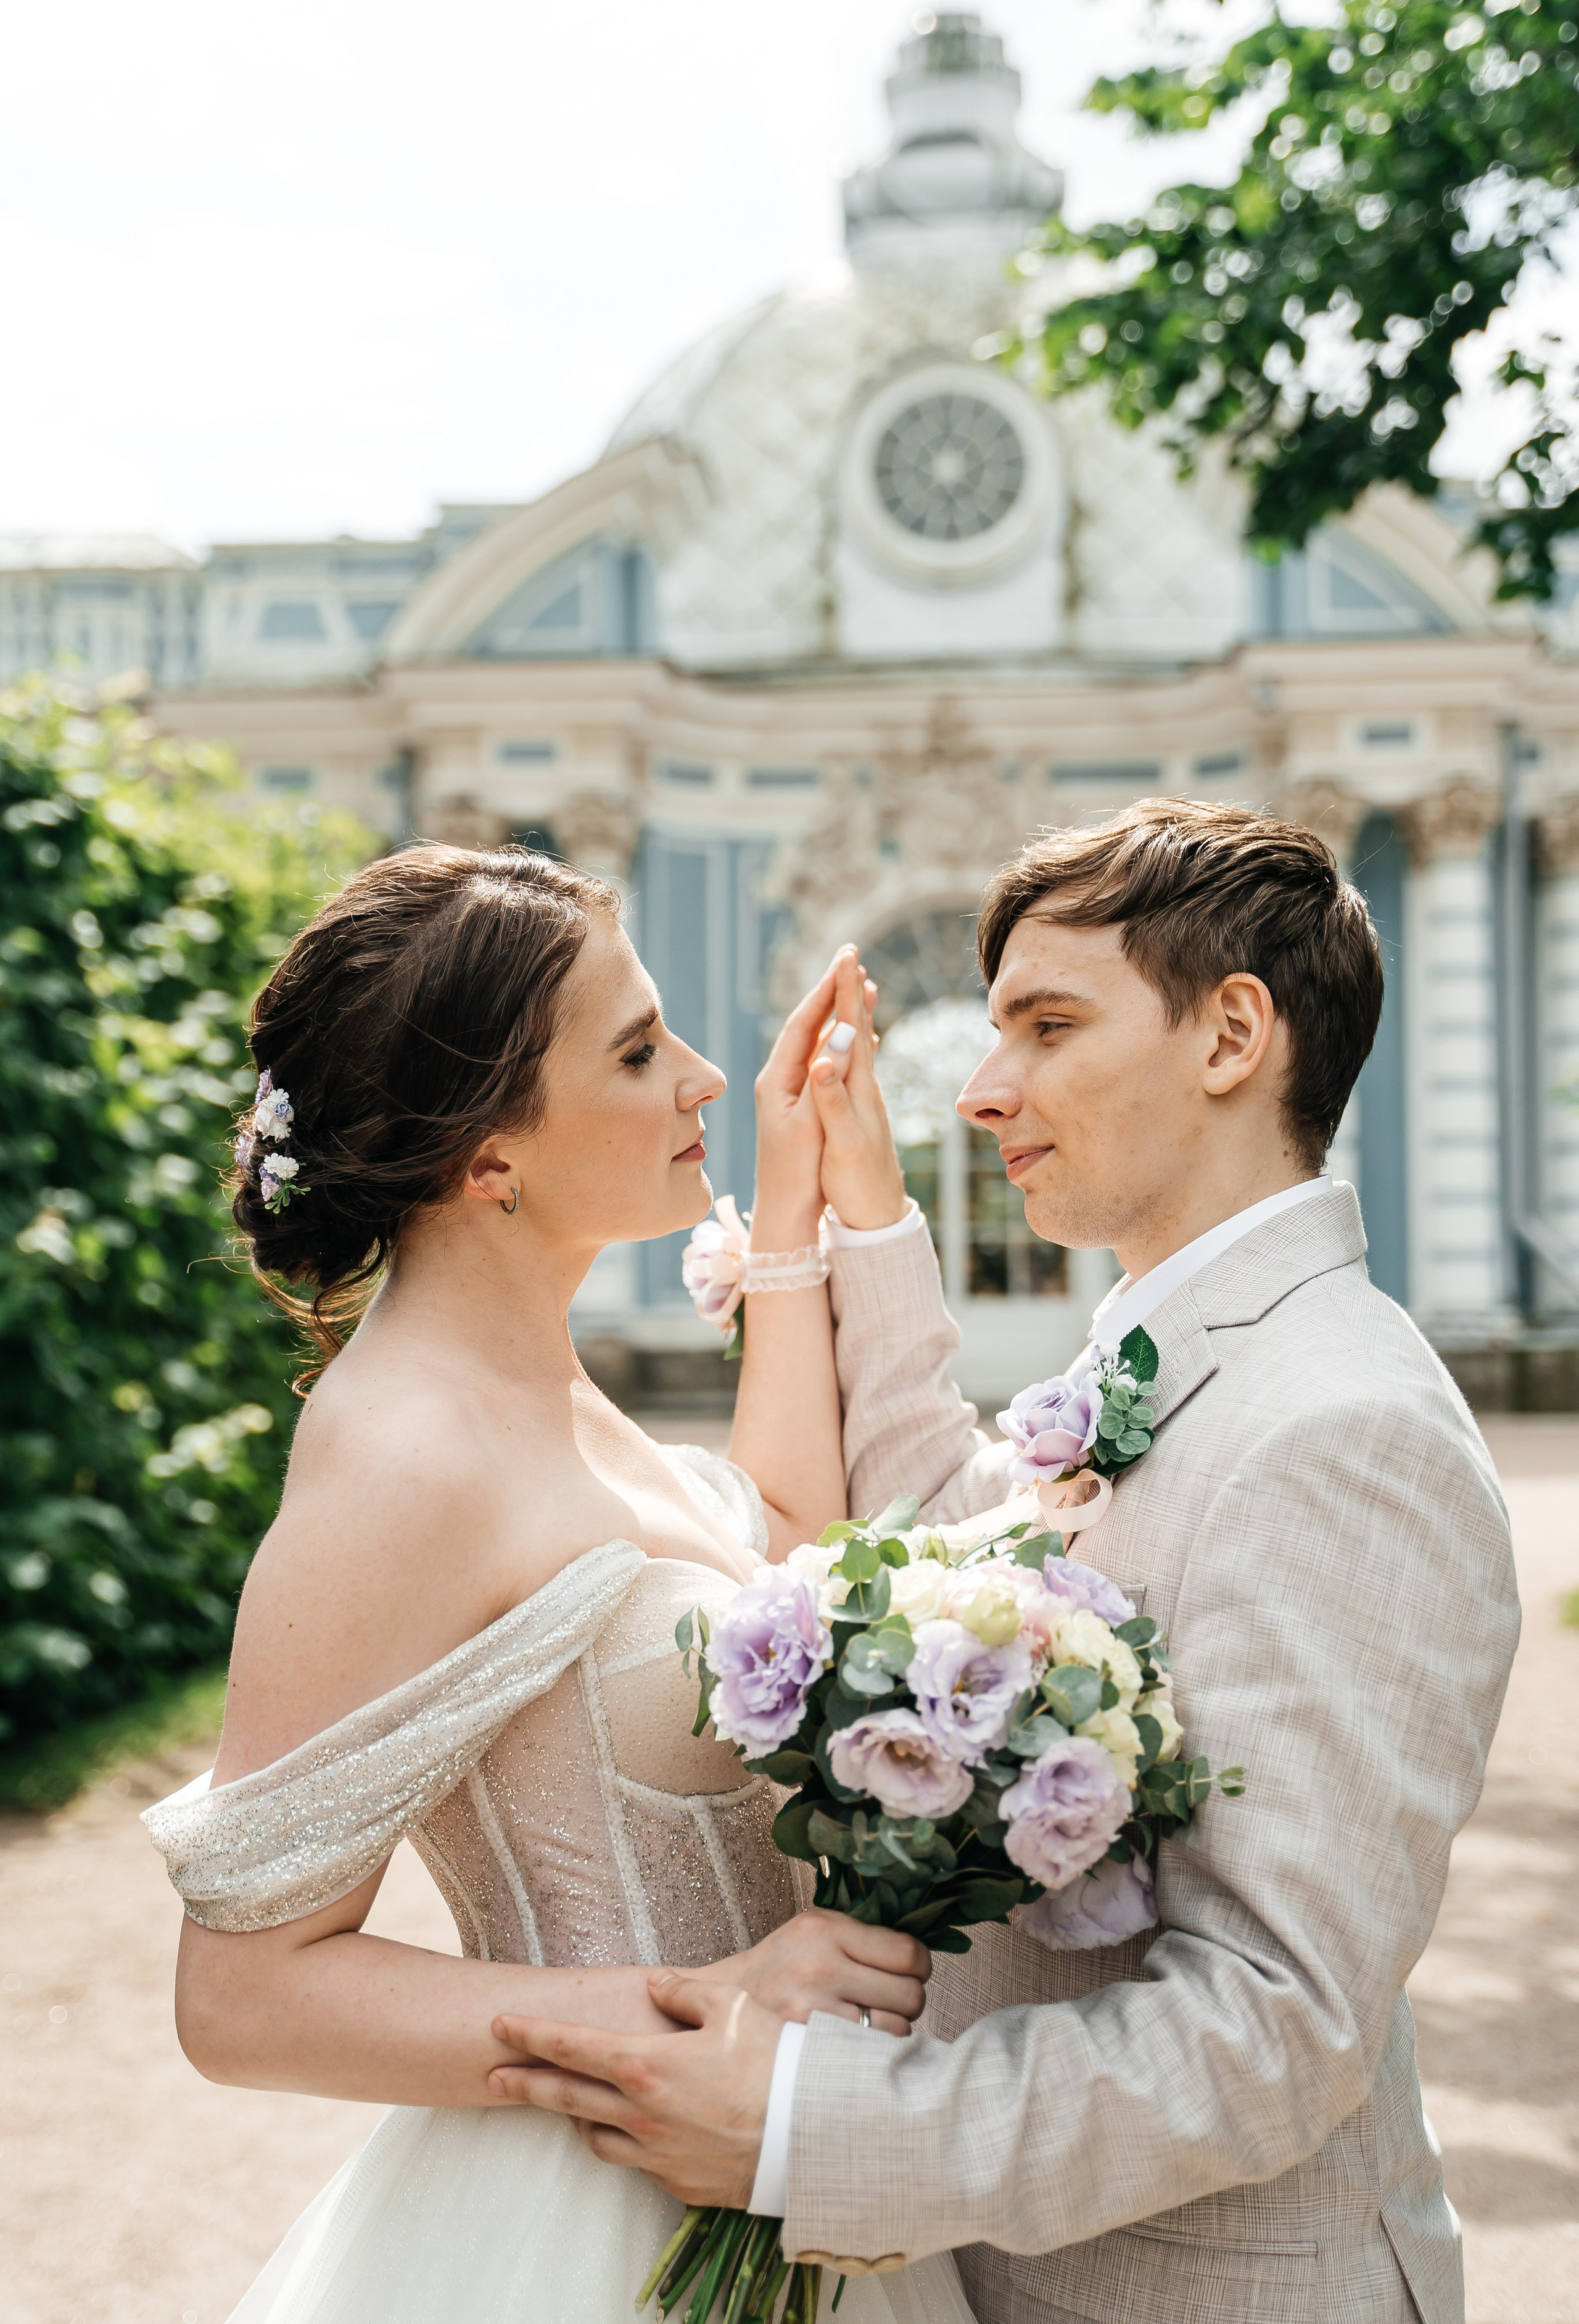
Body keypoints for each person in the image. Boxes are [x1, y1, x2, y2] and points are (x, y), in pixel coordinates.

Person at [492, 800, 1520, 2324]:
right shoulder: (1187, 1351)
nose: (980, 1091)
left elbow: (1271, 2030)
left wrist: (802, 2130)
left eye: (1045, 1027)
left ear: (1231, 1034)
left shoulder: (1341, 1431)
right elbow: (957, 1556)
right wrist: (869, 1215)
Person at [142, 843, 975, 2324]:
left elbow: (773, 1542)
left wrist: (793, 1213)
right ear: (490, 1156)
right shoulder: (404, 1452)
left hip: (765, 2176)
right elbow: (245, 1997)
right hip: (580, 2233)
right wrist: (694, 2007)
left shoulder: (537, 1385)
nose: (704, 1075)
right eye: (642, 1050)